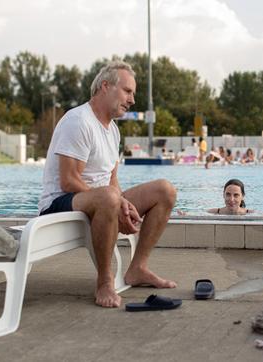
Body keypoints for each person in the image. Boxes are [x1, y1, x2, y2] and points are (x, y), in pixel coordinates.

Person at [38, 61, 177, 308]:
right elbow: (68, 180)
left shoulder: (113, 130)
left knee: (165, 190)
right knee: (110, 198)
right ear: (105, 86)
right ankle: (104, 280)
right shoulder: (78, 120)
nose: (132, 99)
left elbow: (112, 181)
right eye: (127, 91)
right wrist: (116, 201)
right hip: (60, 203)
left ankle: (138, 268)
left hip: (101, 201)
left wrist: (123, 206)